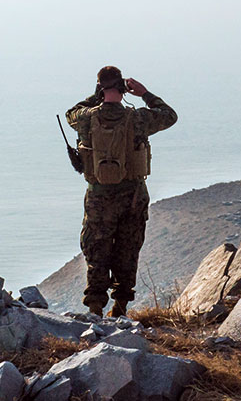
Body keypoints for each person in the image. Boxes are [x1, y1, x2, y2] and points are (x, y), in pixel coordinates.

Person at [66, 66, 177, 317]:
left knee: (96, 249)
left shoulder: (85, 118)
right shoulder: (138, 118)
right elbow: (169, 115)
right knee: (128, 248)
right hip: (133, 196)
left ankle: (95, 306)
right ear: (123, 88)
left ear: (100, 87)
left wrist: (97, 96)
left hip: (98, 196)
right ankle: (121, 306)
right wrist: (145, 94)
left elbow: (70, 112)